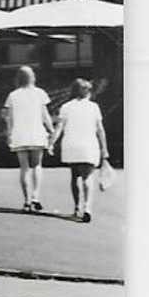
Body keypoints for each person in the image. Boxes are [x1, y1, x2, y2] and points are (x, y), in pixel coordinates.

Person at [51, 77, 108, 223]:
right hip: (89, 145)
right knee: (87, 177)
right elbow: (100, 130)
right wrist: (104, 149)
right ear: (87, 92)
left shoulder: (66, 107)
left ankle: (77, 207)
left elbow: (59, 128)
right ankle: (87, 208)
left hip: (71, 145)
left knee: (74, 176)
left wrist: (51, 143)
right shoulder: (94, 107)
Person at [3, 65, 54, 213]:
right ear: (33, 77)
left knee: (24, 167)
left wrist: (9, 133)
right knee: (37, 165)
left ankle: (26, 201)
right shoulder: (40, 93)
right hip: (37, 132)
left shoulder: (13, 95)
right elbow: (45, 115)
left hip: (20, 133)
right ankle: (35, 197)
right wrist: (51, 130)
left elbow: (9, 118)